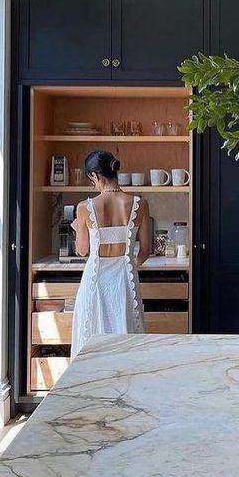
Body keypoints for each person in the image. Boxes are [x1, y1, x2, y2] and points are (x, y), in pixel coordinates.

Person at [70, 150, 151, 357]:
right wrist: (129, 264)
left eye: (92, 180)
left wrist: (77, 228)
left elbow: (82, 250)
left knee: (91, 342)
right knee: (126, 342)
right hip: (125, 281)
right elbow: (145, 251)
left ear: (96, 176)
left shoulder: (83, 208)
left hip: (95, 281)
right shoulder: (140, 204)